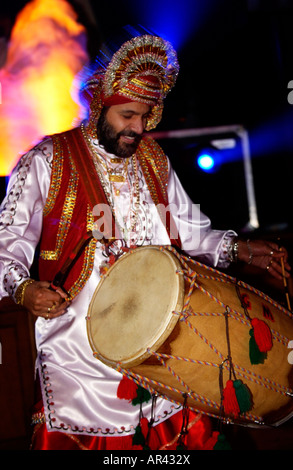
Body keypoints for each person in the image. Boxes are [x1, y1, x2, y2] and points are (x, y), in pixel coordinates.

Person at [0, 28, 290, 451]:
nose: (138, 127)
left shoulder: (153, 160)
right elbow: (6, 243)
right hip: (79, 359)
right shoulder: (47, 162)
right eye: (127, 116)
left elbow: (189, 233)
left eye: (146, 115)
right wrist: (24, 289)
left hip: (165, 347)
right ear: (100, 105)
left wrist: (241, 249)